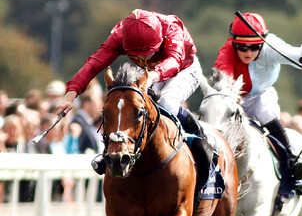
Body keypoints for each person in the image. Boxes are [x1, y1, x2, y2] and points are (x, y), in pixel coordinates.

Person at [55, 9, 211, 175]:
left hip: (183, 69)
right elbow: (93, 64)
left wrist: (151, 77)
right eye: (138, 55)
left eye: (148, 53)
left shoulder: (172, 28)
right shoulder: (119, 35)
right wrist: (71, 94)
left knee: (167, 102)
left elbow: (174, 61)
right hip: (149, 73)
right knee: (131, 104)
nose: (144, 59)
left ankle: (199, 138)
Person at [213, 12, 302, 186]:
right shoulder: (226, 53)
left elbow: (297, 55)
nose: (248, 52)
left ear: (263, 42)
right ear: (233, 43)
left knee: (263, 110)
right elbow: (223, 83)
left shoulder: (271, 46)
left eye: (255, 47)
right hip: (234, 99)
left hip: (261, 96)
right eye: (242, 47)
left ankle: (291, 161)